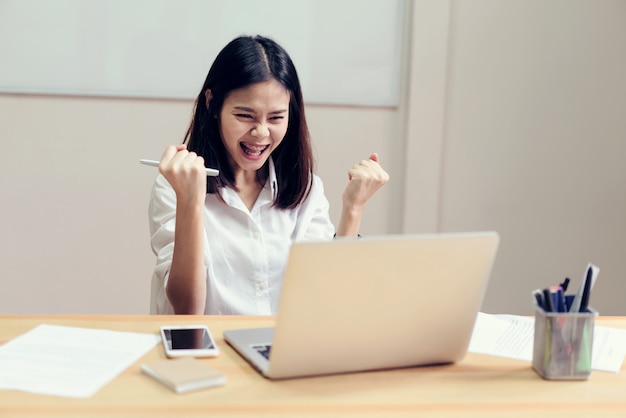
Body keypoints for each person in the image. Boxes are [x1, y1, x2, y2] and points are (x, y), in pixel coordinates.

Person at [149, 35, 389, 315]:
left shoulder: (306, 189)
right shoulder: (173, 187)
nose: (261, 132)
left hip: (281, 353)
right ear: (212, 104)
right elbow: (187, 309)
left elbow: (326, 302)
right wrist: (190, 202)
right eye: (245, 116)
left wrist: (353, 208)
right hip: (208, 351)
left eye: (276, 118)